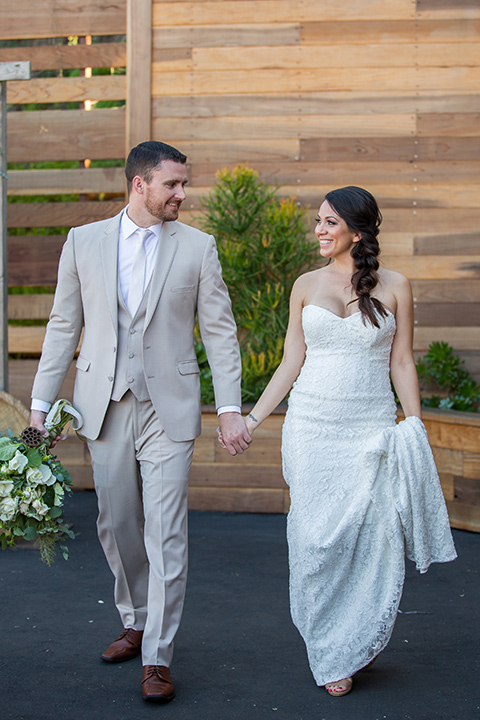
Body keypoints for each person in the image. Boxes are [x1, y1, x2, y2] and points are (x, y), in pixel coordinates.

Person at [29, 140, 252, 703]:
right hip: (102, 405)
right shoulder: (84, 242)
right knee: (117, 522)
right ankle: (134, 617)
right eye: (173, 184)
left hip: (169, 407)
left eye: (184, 183)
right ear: (140, 185)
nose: (183, 193)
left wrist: (229, 408)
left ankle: (157, 655)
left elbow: (220, 332)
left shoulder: (199, 248)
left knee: (166, 530)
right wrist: (39, 405)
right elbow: (63, 326)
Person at [229, 186, 456, 696]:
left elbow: (402, 361)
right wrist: (253, 420)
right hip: (311, 429)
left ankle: (350, 646)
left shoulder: (396, 285)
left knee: (372, 540)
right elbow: (291, 362)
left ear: (358, 228)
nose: (320, 231)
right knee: (315, 540)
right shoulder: (304, 284)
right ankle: (330, 641)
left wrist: (413, 426)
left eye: (330, 222)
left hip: (369, 429)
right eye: (318, 221)